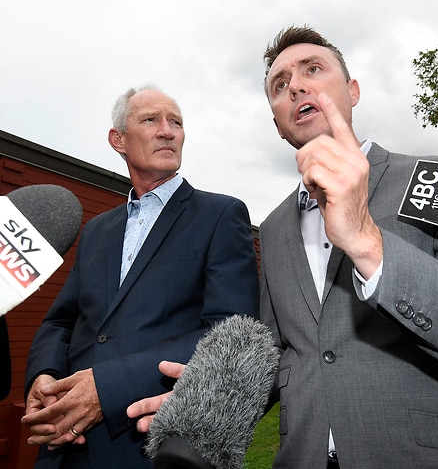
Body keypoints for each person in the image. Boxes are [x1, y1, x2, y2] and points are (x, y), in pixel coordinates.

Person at [129, 27, 438, 469]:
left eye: (313, 69)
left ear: (351, 91)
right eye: (280, 85)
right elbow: (278, 351)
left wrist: (366, 240)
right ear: (278, 124)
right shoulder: (273, 227)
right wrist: (210, 395)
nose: (295, 84)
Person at [21, 85, 260, 468]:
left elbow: (230, 331)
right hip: (65, 444)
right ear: (118, 139)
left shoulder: (220, 215)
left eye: (176, 122)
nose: (168, 131)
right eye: (150, 119)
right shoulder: (97, 229)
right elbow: (62, 319)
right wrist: (44, 375)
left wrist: (109, 387)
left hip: (146, 445)